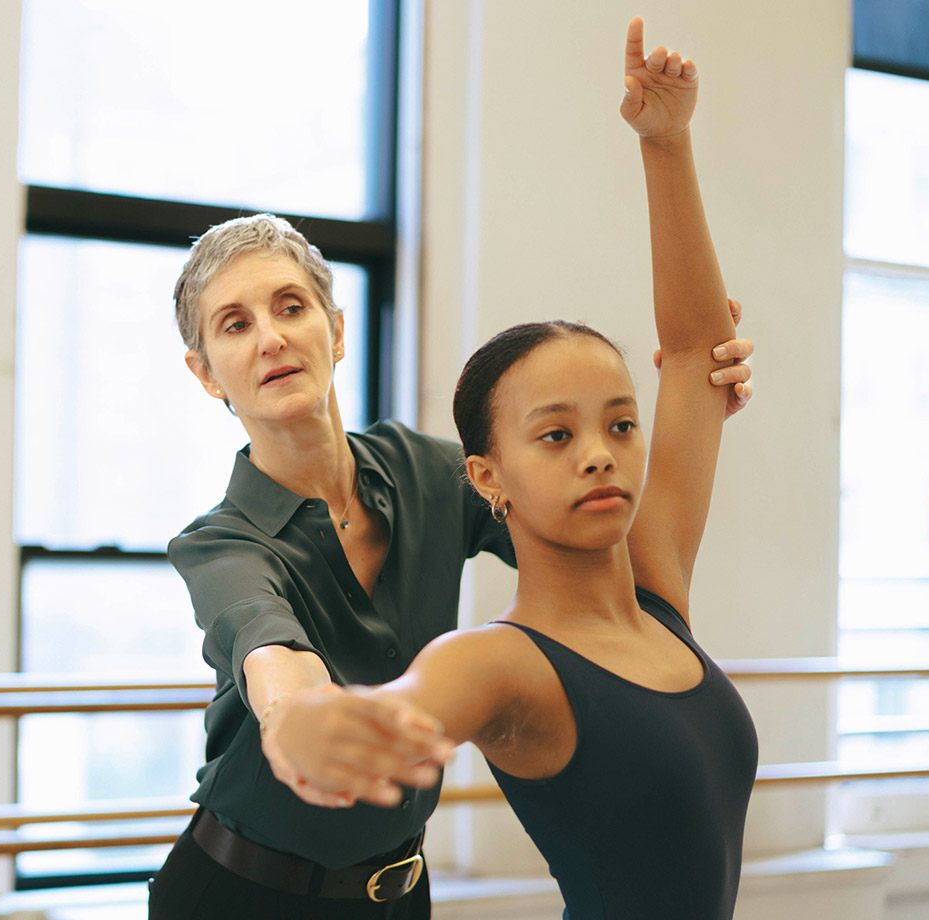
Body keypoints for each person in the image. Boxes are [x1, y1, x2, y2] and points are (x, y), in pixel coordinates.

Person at [147, 20, 757, 917]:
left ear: (335, 328)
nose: (272, 336)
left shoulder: (437, 475)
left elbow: (683, 366)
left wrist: (665, 146)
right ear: (207, 373)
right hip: (242, 891)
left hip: (396, 891)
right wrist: (303, 719)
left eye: (289, 306)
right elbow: (267, 647)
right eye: (236, 325)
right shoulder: (221, 543)